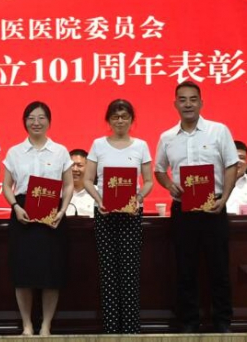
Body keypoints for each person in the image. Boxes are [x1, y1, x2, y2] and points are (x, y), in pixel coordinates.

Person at [154, 81, 239, 334]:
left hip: (214, 207)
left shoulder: (218, 131)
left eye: (193, 99)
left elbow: (231, 165)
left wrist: (224, 198)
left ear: (201, 103)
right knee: (185, 270)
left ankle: (222, 322)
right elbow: (159, 170)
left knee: (219, 269)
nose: (188, 104)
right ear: (175, 104)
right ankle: (188, 323)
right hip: (183, 211)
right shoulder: (167, 137)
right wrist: (169, 184)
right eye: (182, 100)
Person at [1, 101, 74, 336]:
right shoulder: (15, 152)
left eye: (42, 118)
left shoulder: (60, 151)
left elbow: (68, 184)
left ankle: (46, 325)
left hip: (52, 216)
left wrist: (62, 211)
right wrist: (15, 207)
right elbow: (6, 185)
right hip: (23, 213)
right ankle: (27, 325)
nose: (36, 122)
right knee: (23, 273)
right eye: (31, 118)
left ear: (49, 122)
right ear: (24, 122)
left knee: (51, 273)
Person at [82, 99, 153, 334]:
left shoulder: (141, 146)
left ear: (132, 120)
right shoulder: (98, 145)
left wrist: (138, 198)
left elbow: (148, 181)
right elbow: (87, 179)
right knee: (109, 273)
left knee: (130, 274)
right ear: (108, 120)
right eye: (115, 117)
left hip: (131, 214)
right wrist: (99, 199)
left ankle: (131, 330)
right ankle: (111, 330)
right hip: (104, 213)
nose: (120, 121)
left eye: (124, 116)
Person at [66, 149, 96, 217]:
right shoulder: (58, 194)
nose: (75, 169)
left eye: (79, 165)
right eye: (71, 165)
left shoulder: (98, 194)